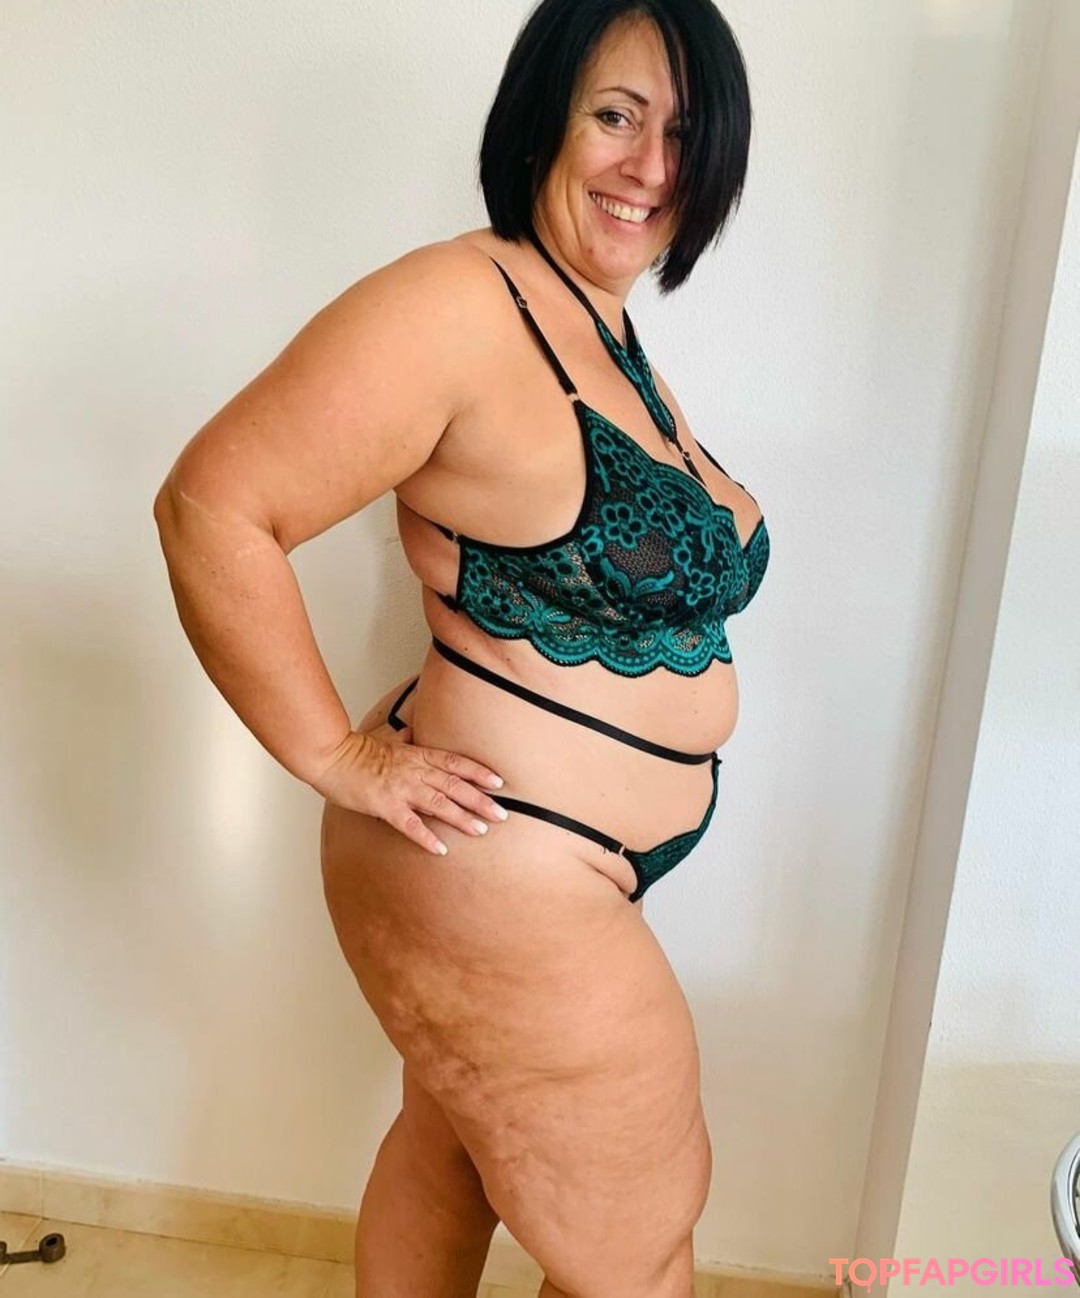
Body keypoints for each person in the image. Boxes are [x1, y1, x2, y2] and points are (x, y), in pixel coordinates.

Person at [154, 0, 766, 1293]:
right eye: (617, 116)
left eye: (683, 133)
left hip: (536, 873)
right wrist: (334, 754)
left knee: (453, 1154)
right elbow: (214, 506)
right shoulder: (461, 305)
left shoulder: (598, 329)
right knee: (640, 1248)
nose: (652, 166)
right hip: (503, 867)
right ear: (544, 116)